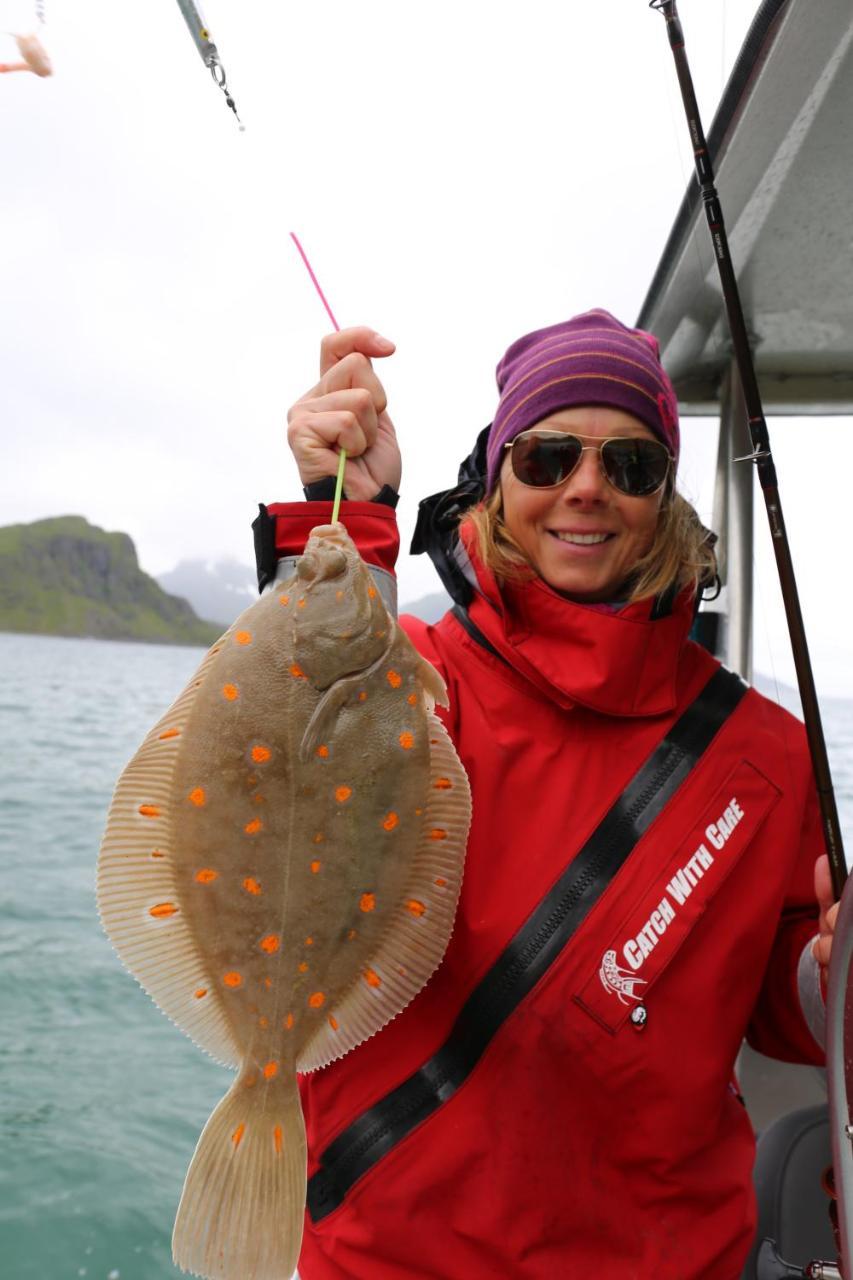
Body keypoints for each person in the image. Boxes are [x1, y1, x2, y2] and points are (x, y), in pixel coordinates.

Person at [262, 309, 839, 1280]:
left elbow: (792, 1002)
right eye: (546, 456)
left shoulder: (769, 755)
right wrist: (345, 512)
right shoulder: (415, 684)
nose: (585, 486)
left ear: (665, 494)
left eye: (630, 465)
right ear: (494, 478)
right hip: (388, 1256)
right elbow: (297, 776)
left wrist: (833, 966)